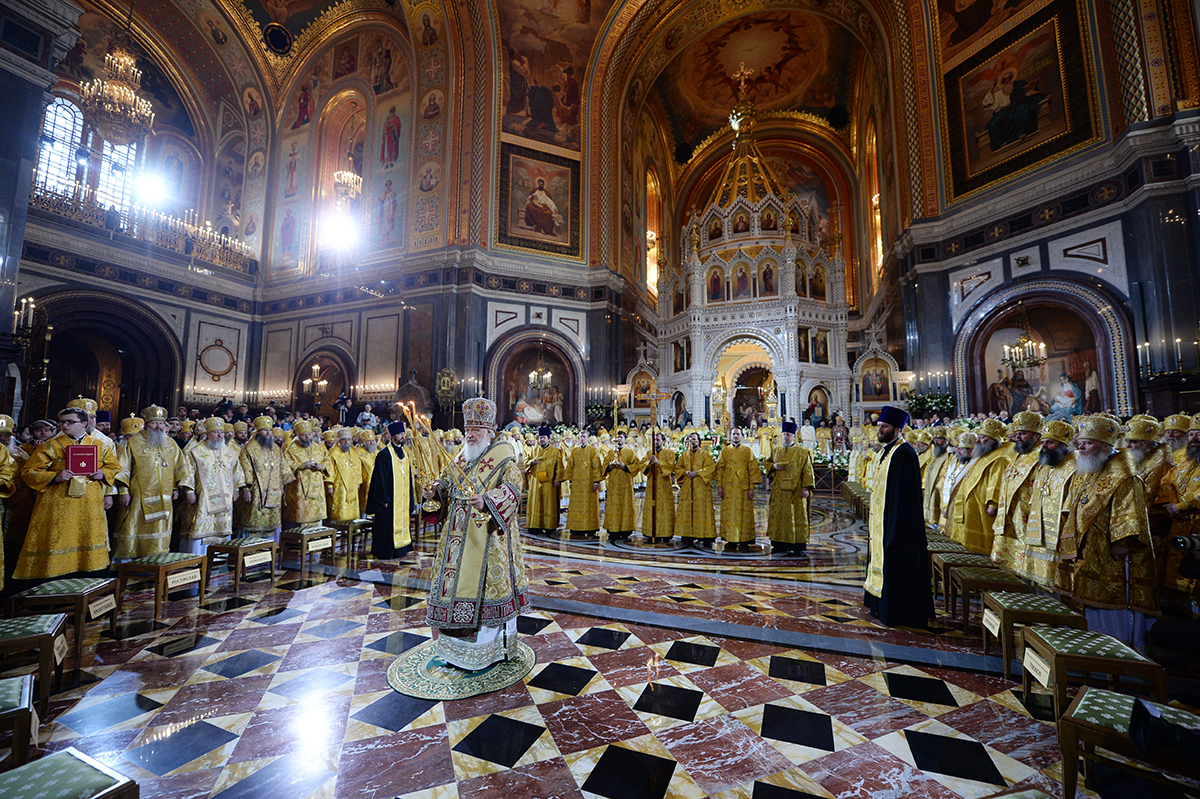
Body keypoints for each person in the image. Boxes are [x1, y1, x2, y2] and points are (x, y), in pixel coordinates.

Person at [422, 398, 528, 670]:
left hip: (489, 541)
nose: (469, 434)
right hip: (457, 542)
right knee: (453, 591)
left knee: (485, 597)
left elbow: (514, 490)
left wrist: (489, 500)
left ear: (490, 431)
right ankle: (455, 653)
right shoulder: (461, 455)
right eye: (468, 429)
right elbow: (445, 484)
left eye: (476, 430)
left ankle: (485, 654)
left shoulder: (504, 455)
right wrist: (434, 492)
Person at [1055, 416, 1158, 647]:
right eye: (1080, 442)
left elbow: (1130, 512)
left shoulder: (1125, 476)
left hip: (1112, 554)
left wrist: (1122, 542)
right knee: (1087, 604)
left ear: (1104, 446)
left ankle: (1118, 651)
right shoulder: (1088, 469)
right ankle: (1090, 648)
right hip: (1088, 549)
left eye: (1087, 443)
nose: (1080, 447)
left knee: (1111, 606)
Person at [15, 407, 120, 579]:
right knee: (57, 538)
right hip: (58, 503)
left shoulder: (99, 445)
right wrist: (55, 477)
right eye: (62, 422)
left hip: (89, 503)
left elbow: (114, 467)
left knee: (88, 537)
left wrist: (103, 473)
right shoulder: (50, 445)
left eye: (70, 422)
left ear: (84, 424)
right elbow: (28, 472)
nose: (64, 425)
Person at [863, 406, 933, 628]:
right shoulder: (886, 451)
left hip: (898, 524)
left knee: (897, 568)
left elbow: (905, 498)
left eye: (885, 426)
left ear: (897, 429)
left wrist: (894, 527)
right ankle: (878, 606)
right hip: (883, 520)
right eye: (879, 426)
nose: (880, 430)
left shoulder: (904, 453)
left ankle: (896, 612)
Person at [114, 405, 194, 560]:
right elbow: (122, 470)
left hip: (165, 497)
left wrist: (177, 488)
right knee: (134, 527)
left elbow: (181, 469)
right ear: (146, 424)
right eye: (154, 423)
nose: (158, 427)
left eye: (161, 423)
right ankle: (131, 564)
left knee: (161, 531)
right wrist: (123, 491)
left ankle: (157, 562)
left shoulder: (171, 444)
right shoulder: (134, 443)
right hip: (138, 498)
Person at [943, 418, 1012, 554]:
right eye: (979, 437)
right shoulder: (980, 455)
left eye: (983, 438)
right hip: (969, 507)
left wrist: (993, 504)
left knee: (978, 547)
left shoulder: (1000, 458)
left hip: (982, 508)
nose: (979, 440)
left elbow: (997, 482)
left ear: (993, 441)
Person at [180, 417, 246, 554]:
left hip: (225, 498)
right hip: (204, 498)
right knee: (201, 527)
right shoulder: (196, 451)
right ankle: (199, 555)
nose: (220, 435)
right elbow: (188, 471)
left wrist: (237, 489)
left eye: (221, 432)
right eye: (216, 433)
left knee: (222, 527)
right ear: (208, 434)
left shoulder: (229, 452)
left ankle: (219, 555)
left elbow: (237, 471)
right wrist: (189, 491)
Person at [237, 415, 295, 541]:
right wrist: (246, 489)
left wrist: (281, 485)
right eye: (265, 430)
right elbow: (244, 469)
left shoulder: (275, 448)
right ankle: (250, 549)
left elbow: (282, 467)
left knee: (271, 523)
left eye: (270, 430)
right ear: (258, 432)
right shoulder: (248, 448)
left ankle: (271, 548)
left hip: (274, 491)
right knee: (253, 521)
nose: (268, 433)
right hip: (256, 492)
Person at [366, 421, 415, 558]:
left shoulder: (405, 454)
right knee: (386, 526)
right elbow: (379, 478)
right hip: (389, 499)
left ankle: (402, 548)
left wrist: (410, 498)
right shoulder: (384, 454)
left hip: (402, 497)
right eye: (399, 434)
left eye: (403, 433)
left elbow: (408, 478)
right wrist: (383, 497)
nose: (402, 436)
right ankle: (386, 551)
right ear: (393, 436)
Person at [767, 420, 816, 554]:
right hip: (779, 491)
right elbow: (767, 463)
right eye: (783, 434)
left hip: (796, 491)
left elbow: (808, 470)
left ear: (794, 436)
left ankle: (797, 546)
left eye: (788, 435)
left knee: (796, 516)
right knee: (779, 516)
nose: (785, 437)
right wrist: (773, 466)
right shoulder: (776, 450)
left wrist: (806, 487)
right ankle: (779, 544)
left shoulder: (802, 452)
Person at [715, 427, 761, 549]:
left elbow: (753, 470)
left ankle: (744, 539)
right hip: (728, 487)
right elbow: (719, 469)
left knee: (743, 513)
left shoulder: (747, 451)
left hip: (743, 487)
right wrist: (719, 486)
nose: (735, 436)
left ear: (742, 436)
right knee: (729, 513)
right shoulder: (725, 451)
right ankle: (730, 539)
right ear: (731, 436)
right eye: (733, 434)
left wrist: (751, 488)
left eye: (738, 434)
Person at [282, 419, 330, 528]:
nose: (308, 437)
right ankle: (298, 542)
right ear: (298, 435)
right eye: (304, 435)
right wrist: (302, 465)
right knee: (300, 515)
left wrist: (321, 466)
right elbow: (285, 465)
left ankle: (315, 538)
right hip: (299, 489)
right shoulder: (292, 448)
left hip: (317, 487)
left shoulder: (318, 447)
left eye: (309, 434)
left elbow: (327, 459)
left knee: (316, 517)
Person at [674, 431, 716, 545]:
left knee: (702, 511)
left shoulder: (705, 454)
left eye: (695, 439)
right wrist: (685, 472)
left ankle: (704, 535)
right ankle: (688, 535)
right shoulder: (684, 455)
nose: (693, 442)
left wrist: (697, 473)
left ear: (699, 441)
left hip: (701, 488)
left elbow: (711, 467)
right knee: (687, 511)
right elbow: (678, 468)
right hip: (688, 487)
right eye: (691, 439)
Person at [562, 429, 603, 536]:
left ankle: (590, 528)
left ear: (588, 438)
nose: (582, 438)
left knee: (589, 505)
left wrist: (596, 482)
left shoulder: (593, 451)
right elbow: (570, 466)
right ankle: (575, 528)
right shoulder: (575, 451)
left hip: (589, 483)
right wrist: (570, 481)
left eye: (584, 436)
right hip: (576, 482)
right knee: (576, 506)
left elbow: (597, 467)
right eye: (580, 436)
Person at [602, 428, 641, 539]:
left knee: (625, 505)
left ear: (625, 439)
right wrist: (609, 466)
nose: (619, 439)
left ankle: (625, 529)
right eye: (617, 437)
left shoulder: (629, 452)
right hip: (613, 484)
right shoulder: (611, 452)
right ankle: (612, 529)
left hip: (625, 484)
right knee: (613, 506)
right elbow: (603, 466)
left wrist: (625, 467)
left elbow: (636, 465)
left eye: (621, 437)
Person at [640, 430, 676, 542]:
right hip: (651, 486)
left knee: (663, 509)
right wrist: (649, 463)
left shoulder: (670, 453)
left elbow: (670, 467)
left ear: (663, 441)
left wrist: (658, 462)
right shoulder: (649, 453)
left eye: (658, 440)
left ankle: (665, 533)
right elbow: (642, 465)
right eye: (654, 440)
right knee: (652, 508)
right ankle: (651, 532)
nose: (655, 442)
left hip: (664, 486)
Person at [525, 426, 562, 535]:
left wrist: (558, 479)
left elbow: (560, 467)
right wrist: (532, 462)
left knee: (548, 503)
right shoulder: (534, 450)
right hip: (536, 482)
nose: (542, 439)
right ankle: (535, 525)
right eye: (540, 437)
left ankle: (549, 525)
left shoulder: (556, 451)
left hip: (549, 483)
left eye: (544, 437)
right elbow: (526, 462)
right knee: (536, 502)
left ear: (549, 439)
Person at [327, 428, 367, 524]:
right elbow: (329, 471)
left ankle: (351, 531)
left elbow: (358, 469)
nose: (346, 442)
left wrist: (358, 483)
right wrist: (330, 486)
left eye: (348, 440)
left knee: (352, 513)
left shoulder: (353, 453)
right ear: (339, 441)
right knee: (339, 510)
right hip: (339, 487)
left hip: (352, 486)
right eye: (344, 440)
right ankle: (338, 530)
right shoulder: (333, 454)